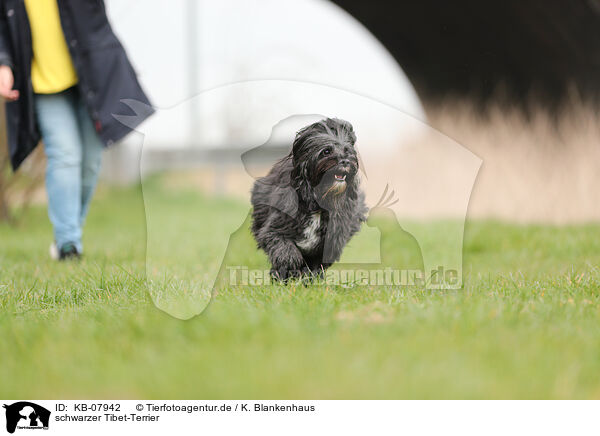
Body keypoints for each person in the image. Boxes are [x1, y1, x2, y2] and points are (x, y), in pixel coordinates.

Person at [0, 0, 153, 260]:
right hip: (43, 84)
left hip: (90, 76)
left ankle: (68, 234)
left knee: (90, 162)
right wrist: (4, 62)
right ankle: (68, 245)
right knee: (65, 154)